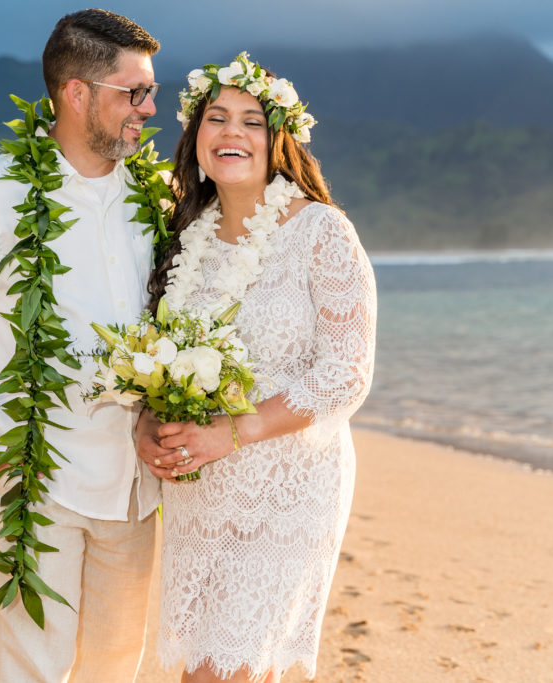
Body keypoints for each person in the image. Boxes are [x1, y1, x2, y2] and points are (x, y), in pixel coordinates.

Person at [0, 10, 162, 682]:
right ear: (76, 93)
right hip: (35, 478)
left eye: (150, 91)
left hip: (135, 482)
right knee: (33, 664)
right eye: (133, 92)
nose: (150, 108)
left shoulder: (154, 199)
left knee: (115, 659)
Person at [138, 53, 377, 682]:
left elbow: (345, 373)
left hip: (290, 481)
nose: (232, 133)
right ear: (196, 138)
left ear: (279, 140)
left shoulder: (322, 231)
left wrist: (232, 433)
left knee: (226, 670)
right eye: (216, 118)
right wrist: (146, 425)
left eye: (252, 120)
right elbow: (153, 353)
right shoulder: (182, 234)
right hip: (201, 489)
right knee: (217, 666)